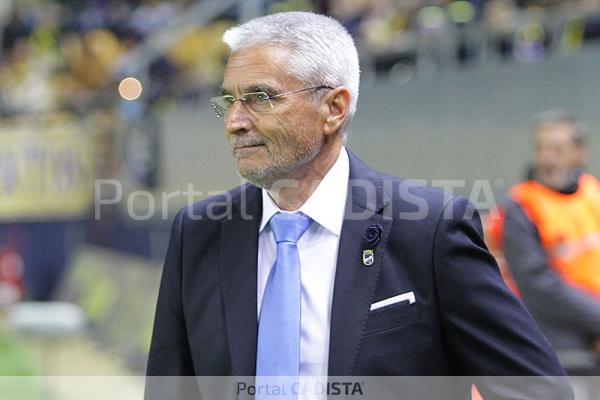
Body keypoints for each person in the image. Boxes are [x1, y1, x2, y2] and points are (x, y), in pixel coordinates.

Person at [146, 11, 570, 399]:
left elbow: (540, 390)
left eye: (260, 98)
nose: (234, 121)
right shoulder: (199, 231)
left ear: (334, 108)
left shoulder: (428, 229)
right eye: (227, 101)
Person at [503, 109, 600, 374]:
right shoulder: (520, 207)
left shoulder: (593, 191)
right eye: (541, 148)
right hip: (563, 346)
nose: (547, 158)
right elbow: (540, 287)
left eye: (557, 149)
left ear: (579, 153)